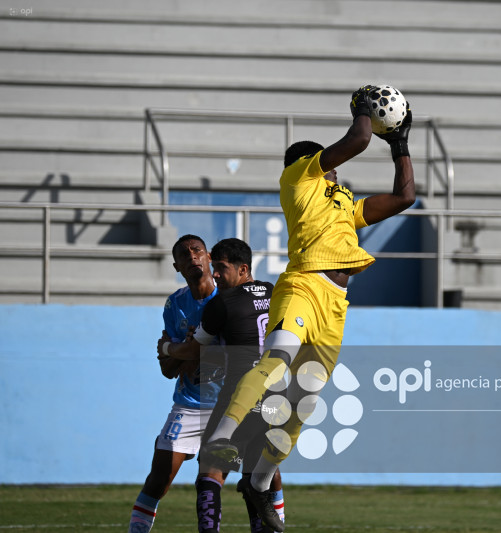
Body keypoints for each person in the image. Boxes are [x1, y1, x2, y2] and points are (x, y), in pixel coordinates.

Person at [200, 85, 416, 531]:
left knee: (303, 401)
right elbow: (356, 140)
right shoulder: (298, 178)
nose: (335, 171)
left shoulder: (343, 206)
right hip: (302, 285)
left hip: (335, 303)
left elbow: (403, 198)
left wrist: (400, 145)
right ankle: (221, 440)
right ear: (313, 165)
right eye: (329, 165)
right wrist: (364, 109)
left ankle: (258, 484)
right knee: (275, 361)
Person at [161, 237, 284, 533]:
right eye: (214, 266)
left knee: (210, 472)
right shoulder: (275, 293)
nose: (214, 274)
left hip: (242, 395)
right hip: (278, 397)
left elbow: (192, 351)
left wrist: (167, 349)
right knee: (257, 478)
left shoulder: (223, 303)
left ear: (243, 270)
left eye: (221, 268)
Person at [128, 234, 220, 533]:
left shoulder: (228, 299)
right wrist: (183, 353)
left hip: (228, 405)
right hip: (189, 404)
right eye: (184, 254)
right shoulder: (175, 304)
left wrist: (181, 351)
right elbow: (167, 369)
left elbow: (184, 353)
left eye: (197, 250)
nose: (192, 256)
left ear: (209, 258)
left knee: (210, 482)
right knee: (158, 480)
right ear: (177, 266)